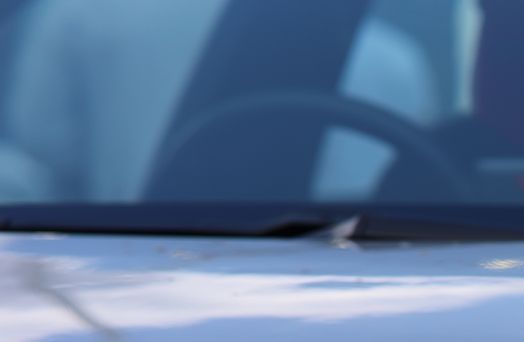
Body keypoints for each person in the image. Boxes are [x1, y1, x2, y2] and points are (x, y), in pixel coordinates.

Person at [0, 0, 437, 203]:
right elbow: (420, 175)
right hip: (365, 277)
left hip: (138, 268)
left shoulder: (79, 17)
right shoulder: (397, 57)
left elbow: (47, 163)